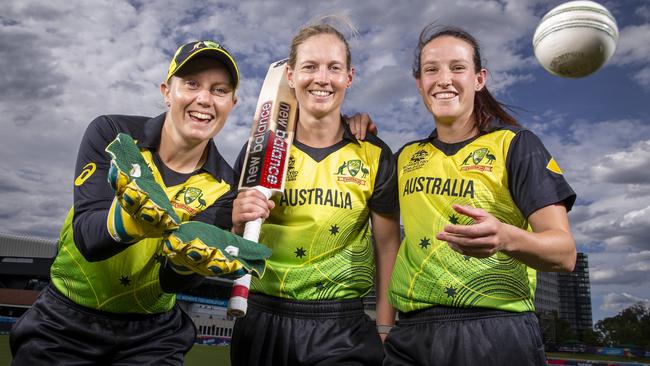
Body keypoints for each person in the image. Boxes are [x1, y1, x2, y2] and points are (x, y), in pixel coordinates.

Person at [10, 40, 258, 365]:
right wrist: (133, 221)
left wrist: (188, 263)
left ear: (232, 103)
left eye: (219, 90)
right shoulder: (114, 134)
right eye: (192, 84)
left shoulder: (226, 188)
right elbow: (88, 239)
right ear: (167, 91)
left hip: (153, 337)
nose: (204, 99)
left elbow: (171, 282)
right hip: (65, 321)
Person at [383, 24, 578, 366]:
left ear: (479, 79)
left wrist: (505, 237)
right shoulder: (405, 157)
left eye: (457, 68)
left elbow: (564, 253)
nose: (444, 79)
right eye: (432, 69)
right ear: (419, 83)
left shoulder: (516, 145)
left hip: (495, 331)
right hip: (411, 335)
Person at [230, 22, 401, 366]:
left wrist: (385, 326)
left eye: (333, 68)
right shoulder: (259, 150)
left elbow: (387, 246)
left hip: (342, 325)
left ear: (349, 78)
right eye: (310, 66)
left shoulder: (374, 154)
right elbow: (232, 241)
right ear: (290, 76)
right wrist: (233, 223)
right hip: (263, 316)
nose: (322, 78)